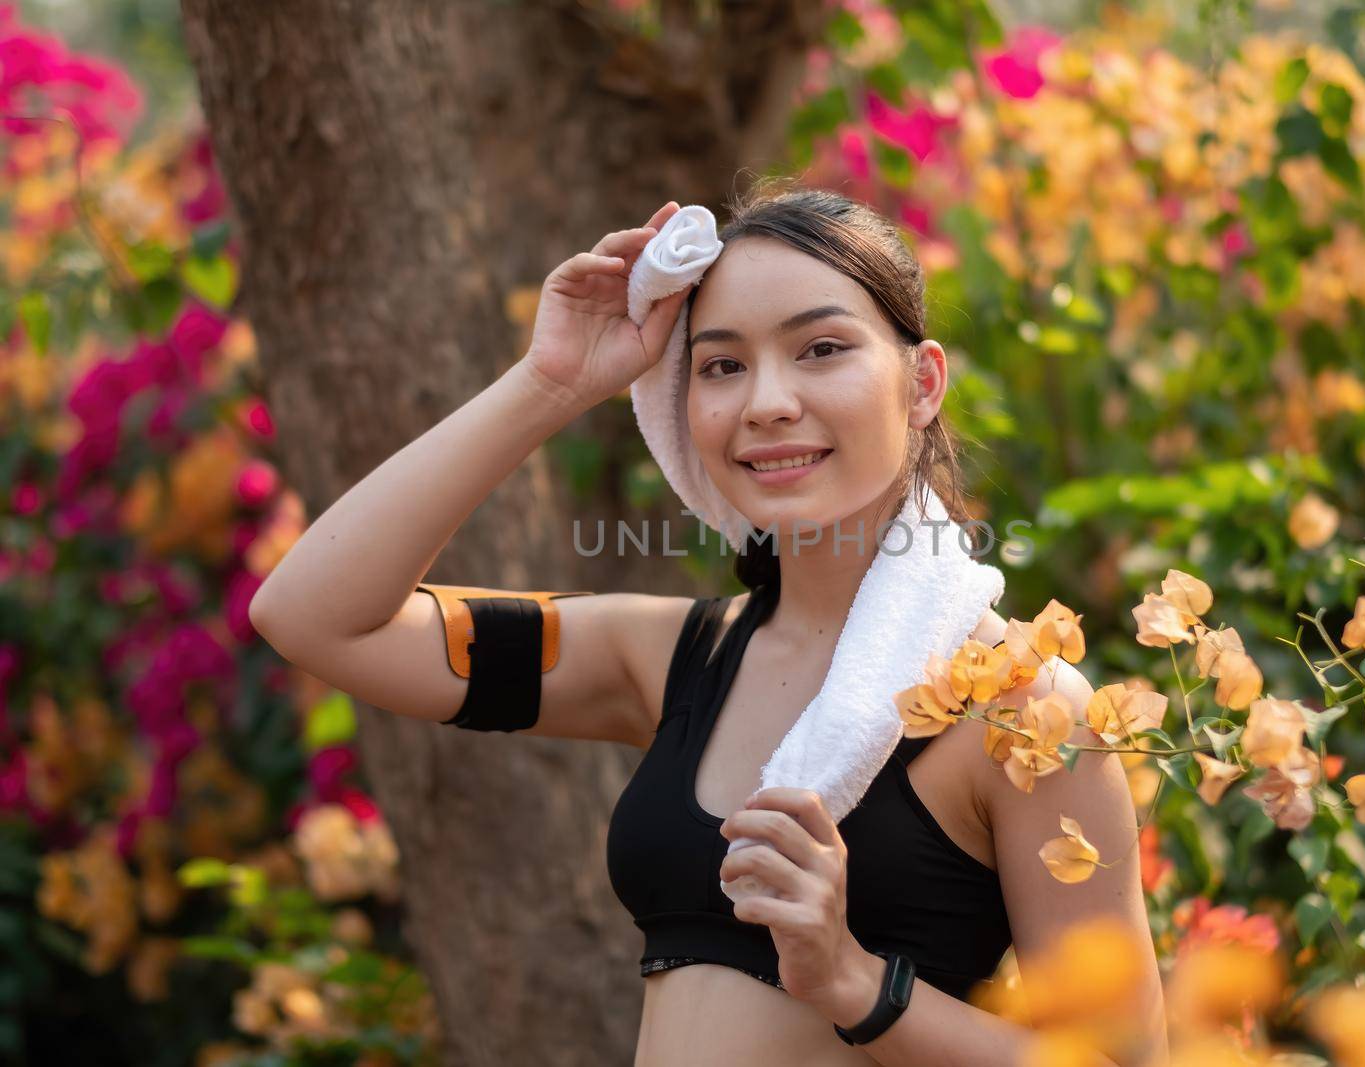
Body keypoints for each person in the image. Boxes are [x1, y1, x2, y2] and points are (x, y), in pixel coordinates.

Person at [249, 182, 1167, 1066]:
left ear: (922, 383)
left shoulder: (1023, 710)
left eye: (820, 350)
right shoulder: (672, 657)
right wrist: (551, 382)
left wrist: (856, 983)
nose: (766, 401)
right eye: (722, 365)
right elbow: (315, 617)